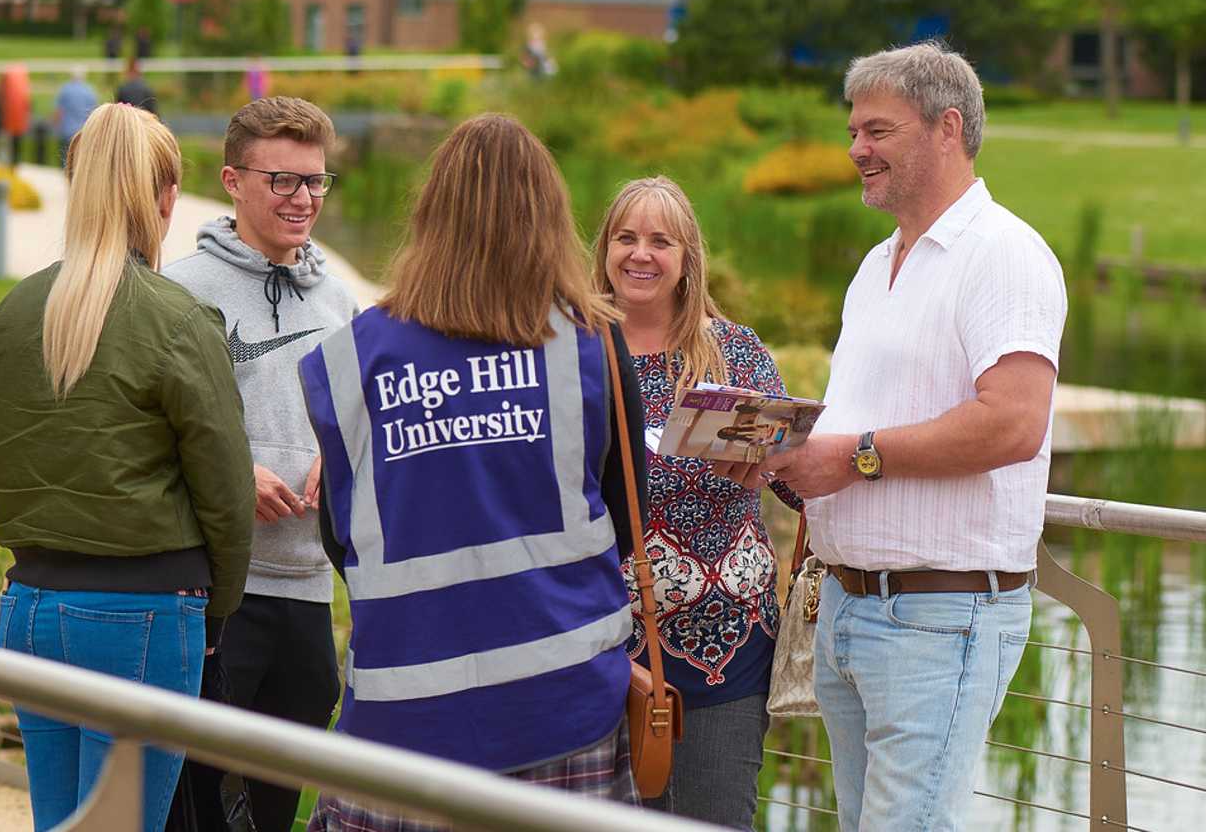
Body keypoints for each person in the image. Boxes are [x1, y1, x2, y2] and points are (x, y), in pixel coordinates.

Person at [730, 42, 1067, 831]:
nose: (856, 149)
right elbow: (864, 420)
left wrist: (850, 458)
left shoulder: (1003, 256)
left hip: (939, 619)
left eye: (877, 131)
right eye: (854, 131)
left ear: (948, 127)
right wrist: (788, 461)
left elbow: (1014, 423)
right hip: (850, 610)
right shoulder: (879, 263)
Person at [297, 114, 649, 831]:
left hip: (400, 722)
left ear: (430, 215)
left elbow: (342, 538)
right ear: (549, 217)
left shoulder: (352, 360)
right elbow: (627, 511)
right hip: (563, 712)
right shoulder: (591, 345)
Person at [0, 101, 255, 832]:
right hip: (142, 613)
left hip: (30, 607)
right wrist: (216, 613)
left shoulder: (12, 314)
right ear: (163, 200)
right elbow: (226, 494)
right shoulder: (177, 318)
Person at [163, 98, 355, 832]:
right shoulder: (183, 293)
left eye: (315, 182)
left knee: (279, 804)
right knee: (201, 802)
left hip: (307, 592)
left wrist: (337, 461)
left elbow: (358, 427)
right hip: (215, 592)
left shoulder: (338, 299)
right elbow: (153, 434)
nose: (303, 199)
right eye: (282, 181)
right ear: (233, 181)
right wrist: (230, 474)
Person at [590, 175, 801, 828]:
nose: (640, 254)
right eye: (626, 238)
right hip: (599, 649)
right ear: (604, 250)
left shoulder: (734, 353)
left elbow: (796, 479)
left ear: (687, 259)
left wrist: (769, 463)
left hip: (726, 650)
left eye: (661, 241)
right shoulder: (573, 349)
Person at [54, 67, 99, 149]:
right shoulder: (90, 91)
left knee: (65, 158)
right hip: (83, 132)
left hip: (67, 132)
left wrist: (56, 127)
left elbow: (59, 112)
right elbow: (94, 112)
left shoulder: (65, 89)